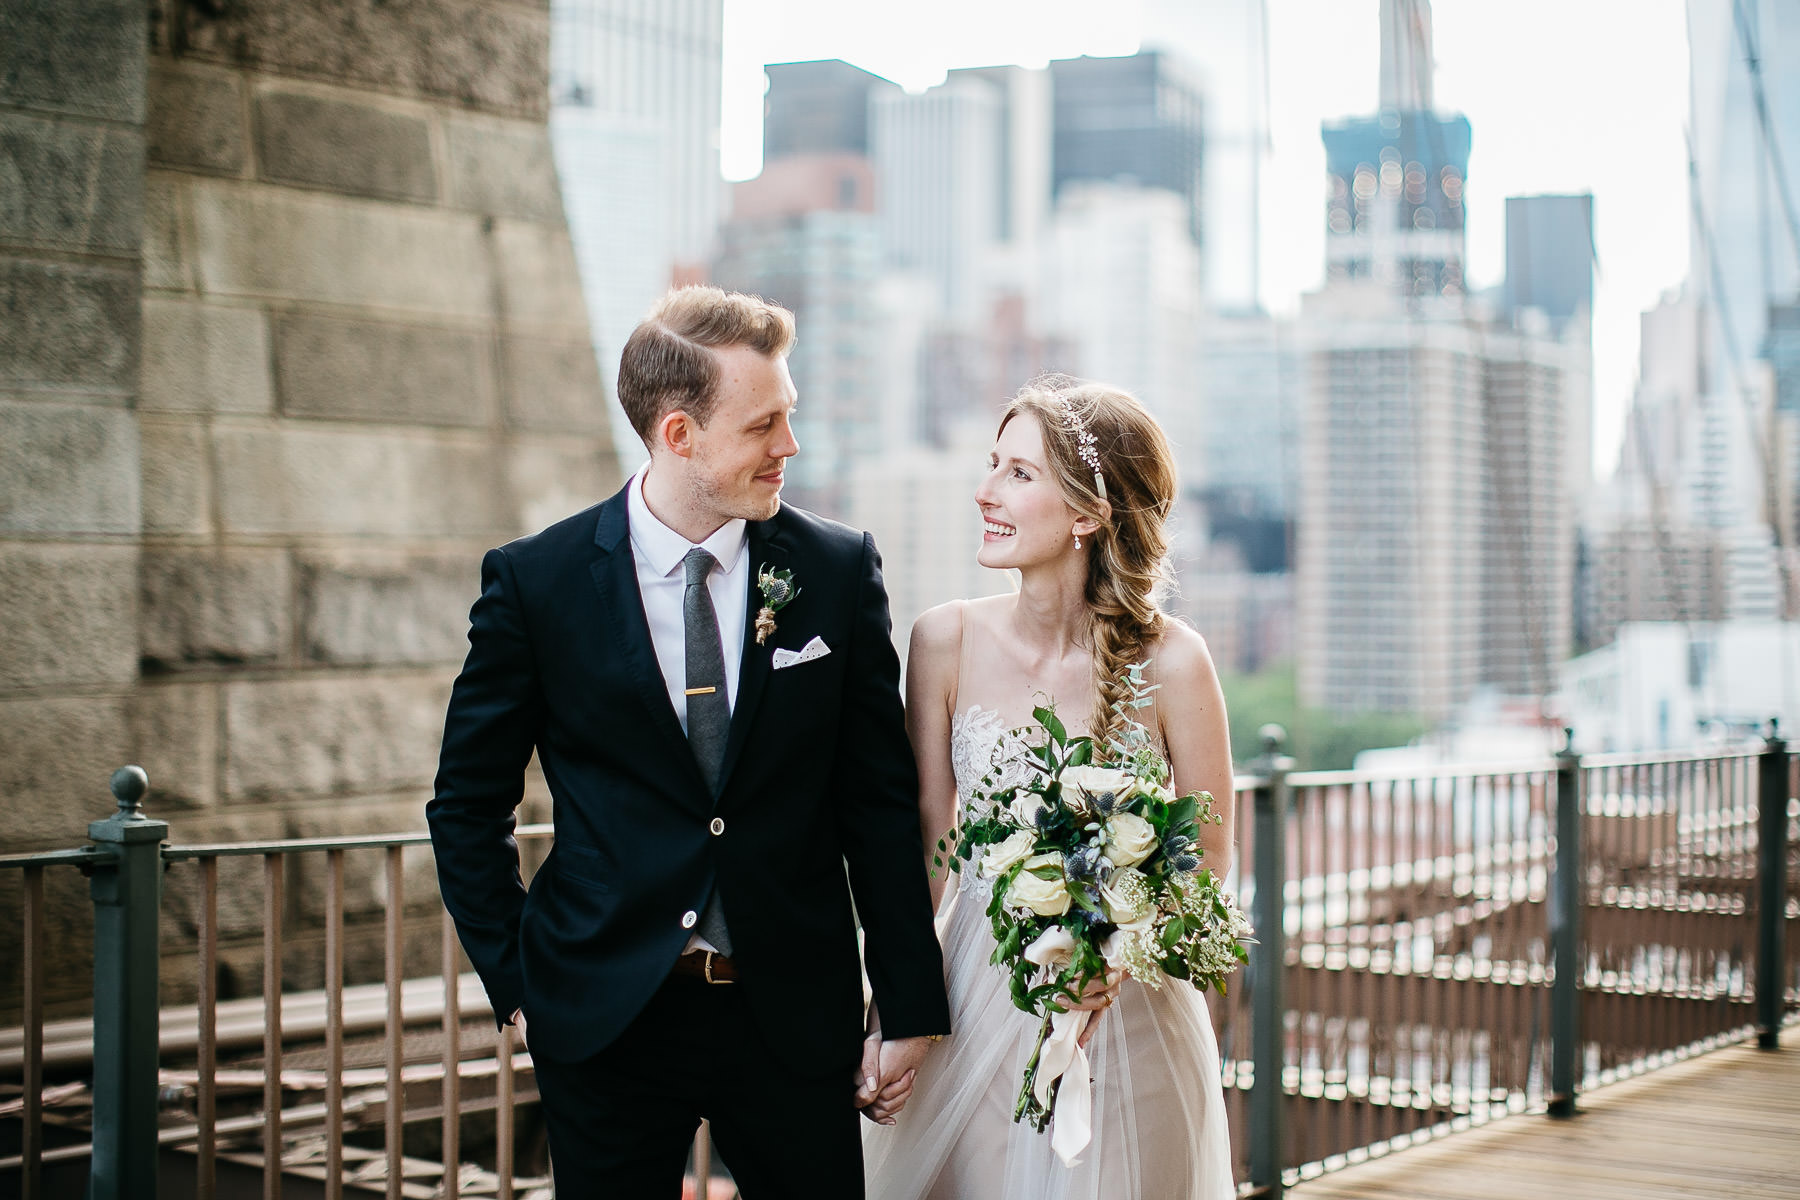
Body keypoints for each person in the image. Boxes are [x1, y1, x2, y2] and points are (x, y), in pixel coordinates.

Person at [428, 285, 951, 1199]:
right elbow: (467, 805)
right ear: (679, 434)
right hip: (604, 1017)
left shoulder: (832, 570)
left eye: (789, 417)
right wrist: (518, 984)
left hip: (791, 1012)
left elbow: (874, 800)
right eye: (764, 425)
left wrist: (906, 999)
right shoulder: (536, 583)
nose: (789, 445)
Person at [861, 376, 1237, 1199]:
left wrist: (1116, 960)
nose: (984, 491)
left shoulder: (1175, 662)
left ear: (1088, 514)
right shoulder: (943, 641)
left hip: (1128, 1014)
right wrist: (896, 1006)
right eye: (992, 464)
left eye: (1017, 474)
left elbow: (1207, 858)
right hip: (973, 993)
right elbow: (929, 843)